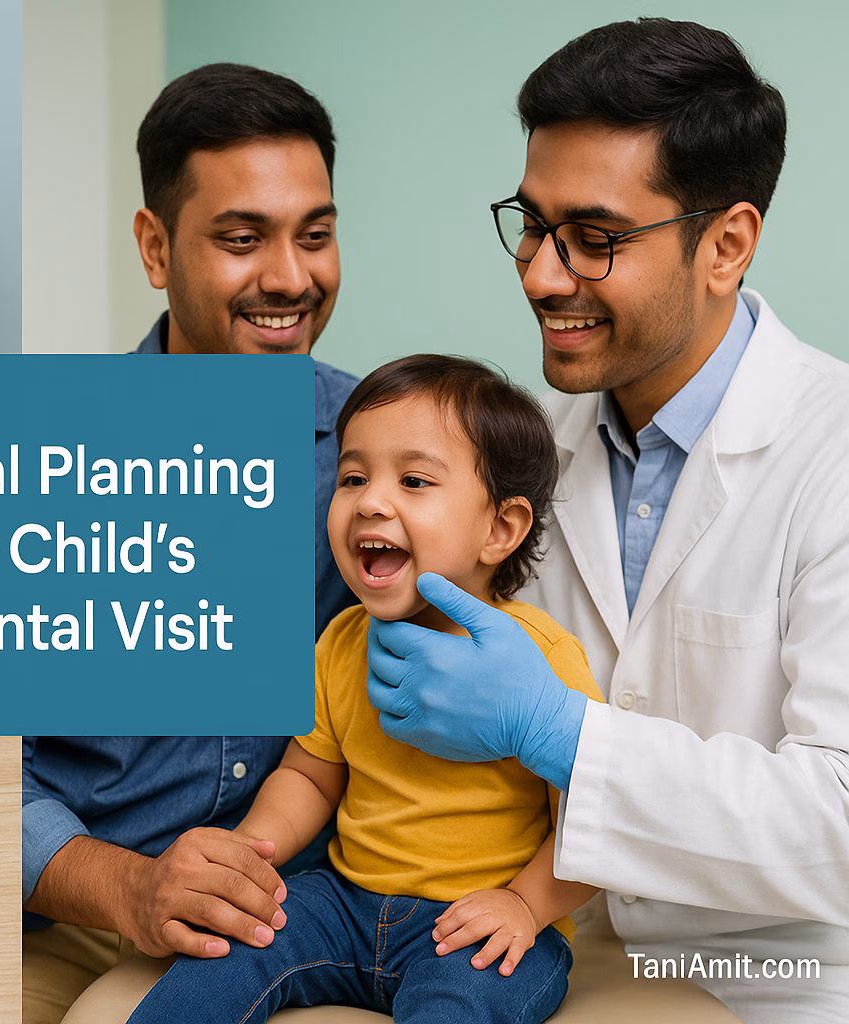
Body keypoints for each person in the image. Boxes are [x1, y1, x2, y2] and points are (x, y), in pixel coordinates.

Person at [363, 19, 849, 1023]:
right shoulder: (526, 455)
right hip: (549, 951)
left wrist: (563, 734)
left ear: (727, 245)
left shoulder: (830, 454)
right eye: (532, 226)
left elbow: (838, 827)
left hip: (782, 983)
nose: (541, 275)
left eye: (595, 240)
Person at [22, 64, 361, 1024]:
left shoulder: (381, 452)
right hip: (74, 915)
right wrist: (129, 890)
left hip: (321, 910)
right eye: (242, 239)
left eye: (317, 235)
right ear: (156, 246)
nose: (291, 278)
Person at [125, 355, 602, 1023]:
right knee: (226, 955)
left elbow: (597, 816)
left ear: (500, 528)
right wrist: (253, 849)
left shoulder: (543, 661)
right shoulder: (343, 642)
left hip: (474, 923)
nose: (371, 501)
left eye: (413, 480)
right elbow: (312, 778)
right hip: (343, 904)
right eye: (352, 477)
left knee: (463, 1002)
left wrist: (525, 904)